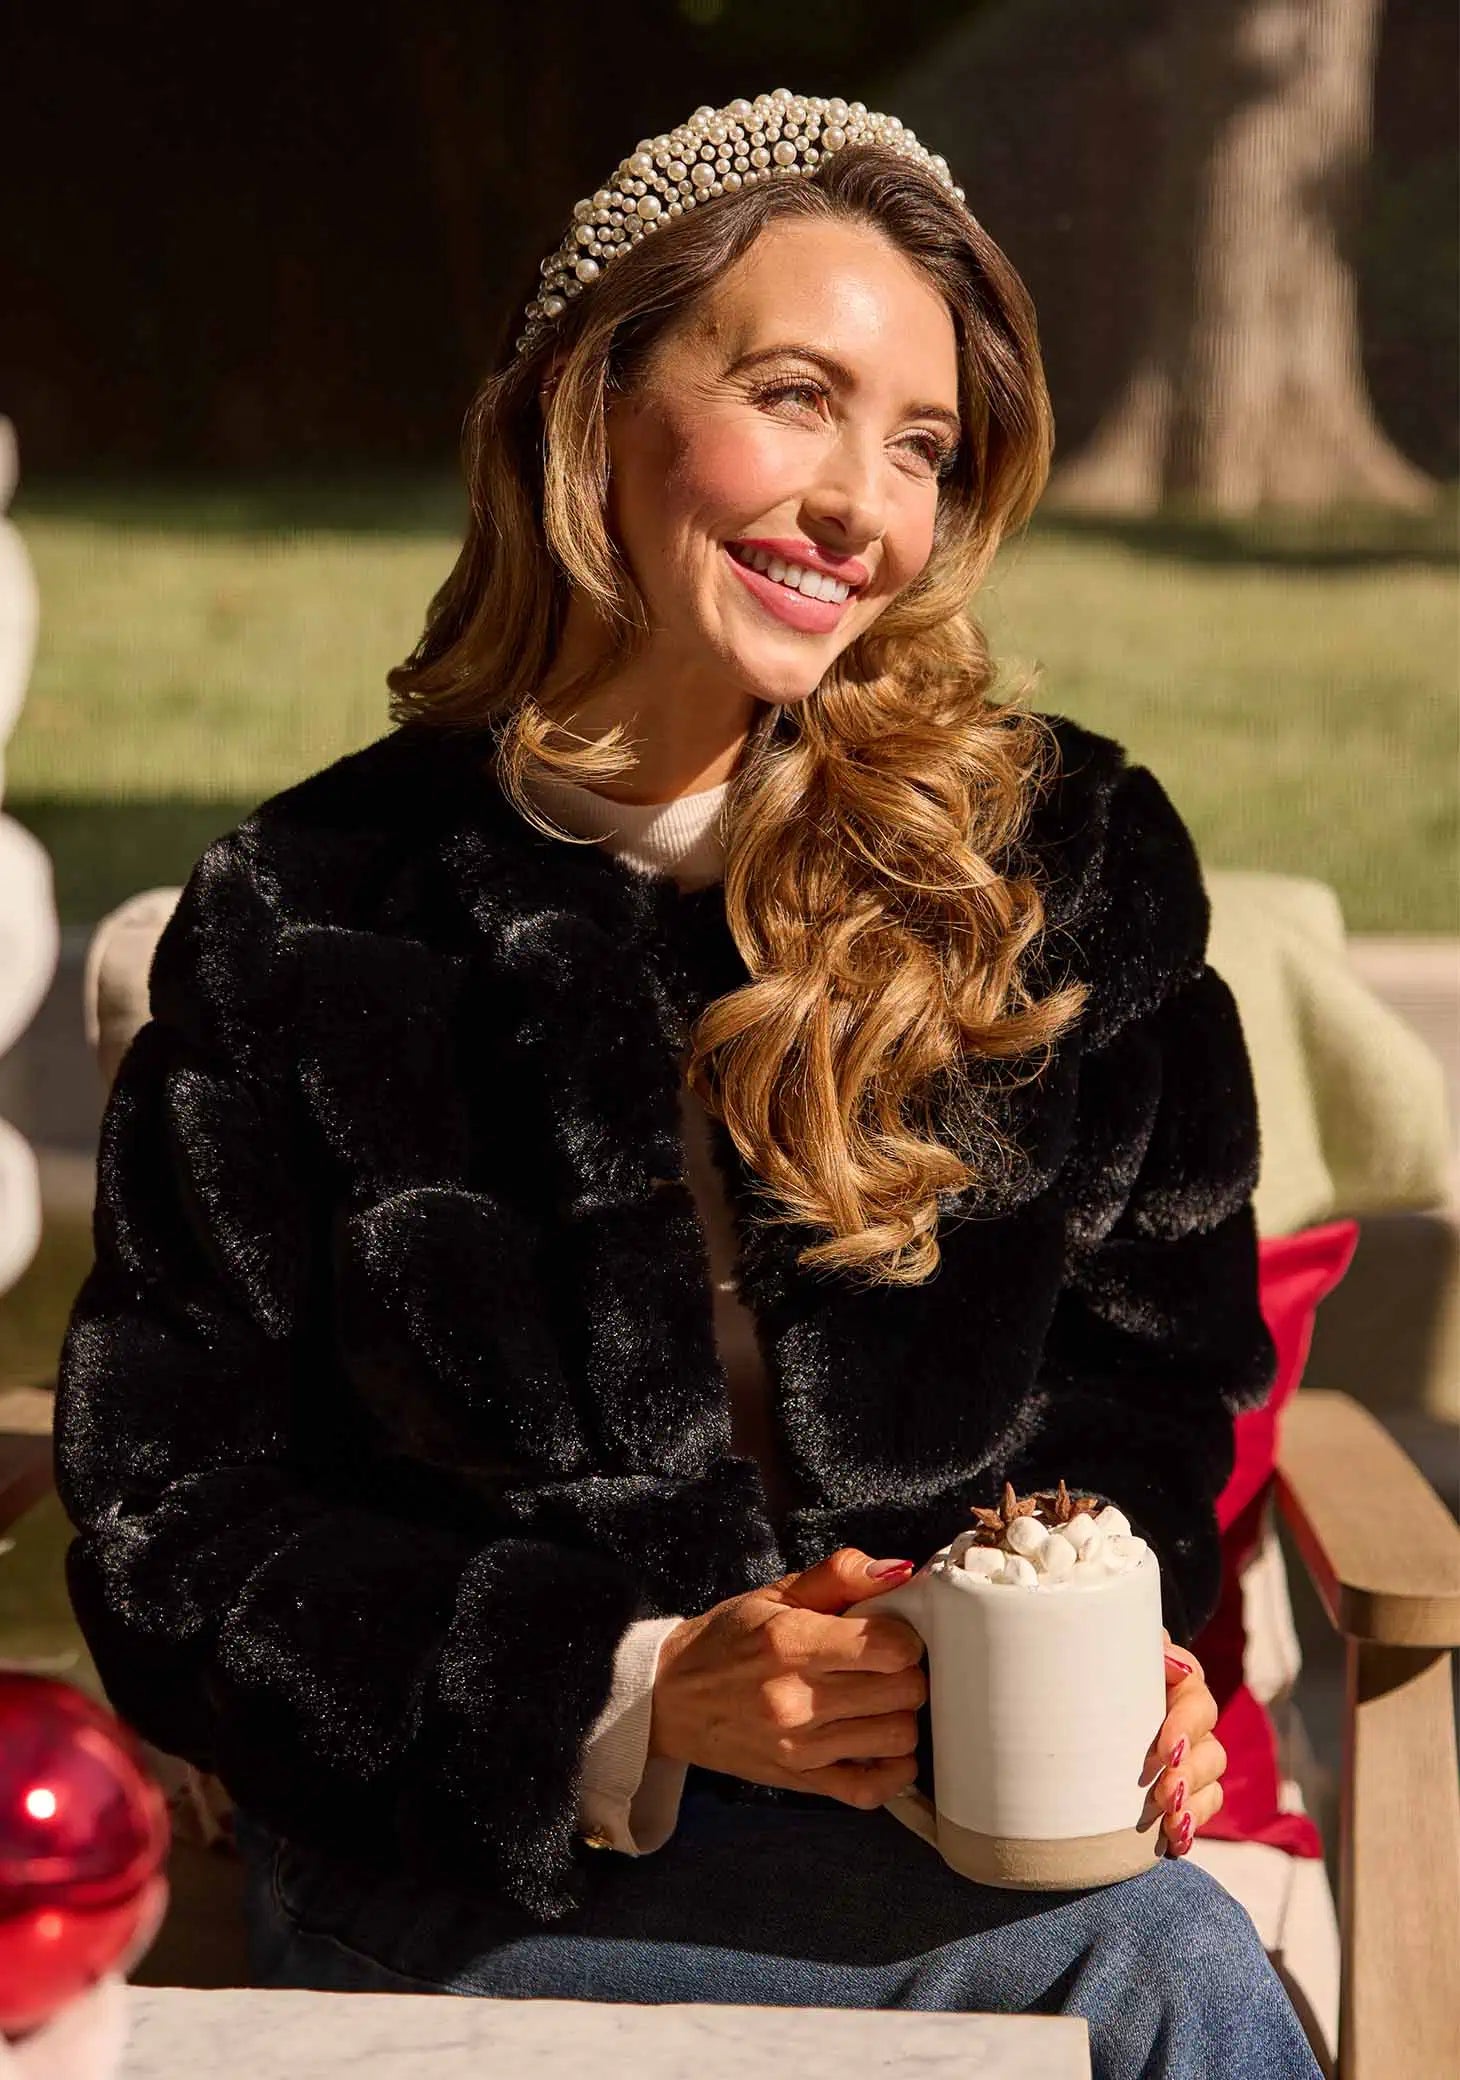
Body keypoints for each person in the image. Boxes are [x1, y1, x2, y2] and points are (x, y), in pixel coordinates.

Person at [52, 91, 1324, 2080]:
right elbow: (173, 1530)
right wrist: (638, 1689)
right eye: (796, 395)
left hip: (957, 1834)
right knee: (1163, 1977)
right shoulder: (308, 921)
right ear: (590, 397)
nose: (860, 506)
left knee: (1143, 1945)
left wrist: (1110, 1606)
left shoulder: (1046, 863)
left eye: (918, 445)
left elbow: (1146, 1373)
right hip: (479, 1858)